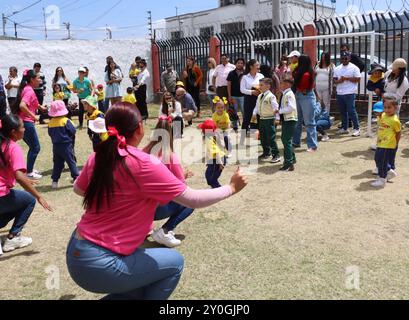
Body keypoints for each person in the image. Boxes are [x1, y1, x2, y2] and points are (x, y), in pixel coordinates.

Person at [66, 103, 247, 300]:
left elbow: (78, 189)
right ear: (140, 129)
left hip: (76, 250)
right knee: (174, 263)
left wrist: (118, 200)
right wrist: (231, 188)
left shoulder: (98, 155)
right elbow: (193, 199)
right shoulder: (144, 162)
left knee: (136, 289)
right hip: (101, 263)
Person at [0, 114, 52, 255]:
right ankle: (13, 238)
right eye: (22, 127)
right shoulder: (13, 148)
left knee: (17, 201)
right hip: (1, 196)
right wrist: (38, 196)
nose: (24, 129)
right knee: (28, 200)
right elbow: (19, 176)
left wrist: (26, 180)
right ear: (13, 132)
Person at [144, 117, 194, 247]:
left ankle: (142, 227)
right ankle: (165, 230)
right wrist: (183, 174)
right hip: (156, 209)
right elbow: (181, 187)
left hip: (138, 207)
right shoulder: (170, 156)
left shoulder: (143, 151)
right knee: (190, 203)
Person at [11, 69, 47, 179]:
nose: (40, 79)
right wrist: (33, 116)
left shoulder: (28, 89)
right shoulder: (29, 90)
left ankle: (29, 169)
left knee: (33, 147)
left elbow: (33, 102)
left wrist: (40, 107)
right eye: (38, 78)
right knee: (35, 147)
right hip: (26, 123)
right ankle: (29, 172)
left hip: (23, 122)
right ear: (31, 79)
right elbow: (22, 105)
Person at [48, 101, 79, 189]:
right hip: (66, 146)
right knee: (71, 162)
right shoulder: (66, 121)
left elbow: (50, 133)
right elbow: (73, 131)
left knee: (57, 164)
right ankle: (76, 178)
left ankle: (55, 181)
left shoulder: (50, 122)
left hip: (56, 146)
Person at [372, 97, 401, 188]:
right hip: (380, 143)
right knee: (377, 158)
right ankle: (389, 171)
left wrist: (396, 143)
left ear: (395, 108)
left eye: (389, 107)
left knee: (383, 161)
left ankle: (382, 179)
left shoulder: (395, 120)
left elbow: (398, 133)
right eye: (385, 107)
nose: (386, 109)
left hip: (388, 145)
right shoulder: (383, 115)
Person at [292, 54, 319, 152]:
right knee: (298, 120)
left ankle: (312, 145)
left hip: (305, 95)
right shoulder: (302, 71)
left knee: (309, 122)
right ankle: (296, 142)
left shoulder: (307, 73)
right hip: (301, 94)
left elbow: (303, 87)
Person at [252, 78, 281, 163]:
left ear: (268, 86)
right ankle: (266, 152)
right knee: (263, 137)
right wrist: (254, 114)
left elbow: (276, 108)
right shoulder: (260, 96)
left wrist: (277, 118)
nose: (259, 87)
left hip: (269, 119)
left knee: (271, 137)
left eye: (261, 85)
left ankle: (276, 155)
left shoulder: (271, 96)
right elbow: (257, 106)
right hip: (262, 119)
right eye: (259, 85)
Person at [334, 51, 361, 137]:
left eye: (346, 58)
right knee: (342, 112)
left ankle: (357, 128)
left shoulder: (354, 68)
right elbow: (334, 80)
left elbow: (358, 79)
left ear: (349, 58)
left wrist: (347, 78)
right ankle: (344, 128)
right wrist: (339, 81)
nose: (344, 60)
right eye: (343, 58)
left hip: (350, 92)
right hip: (340, 92)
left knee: (351, 111)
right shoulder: (337, 68)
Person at [277, 74, 297, 171]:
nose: (280, 84)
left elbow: (291, 107)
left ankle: (288, 163)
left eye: (281, 83)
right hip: (287, 119)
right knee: (286, 139)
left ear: (287, 84)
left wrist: (280, 111)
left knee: (286, 140)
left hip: (290, 119)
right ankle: (291, 159)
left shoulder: (289, 94)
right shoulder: (286, 93)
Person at [199, 119, 227, 189]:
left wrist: (220, 164)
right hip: (214, 160)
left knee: (211, 179)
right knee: (209, 176)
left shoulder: (209, 139)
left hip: (218, 160)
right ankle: (216, 189)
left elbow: (216, 151)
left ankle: (219, 190)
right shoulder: (210, 137)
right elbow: (210, 151)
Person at [240, 59, 264, 136]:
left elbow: (265, 85)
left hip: (259, 98)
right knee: (247, 116)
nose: (258, 67)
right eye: (256, 65)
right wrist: (252, 92)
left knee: (258, 115)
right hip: (249, 99)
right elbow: (242, 89)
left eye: (258, 65)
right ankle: (243, 135)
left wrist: (260, 90)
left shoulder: (261, 76)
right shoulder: (245, 77)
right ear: (251, 67)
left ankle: (257, 134)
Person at [227, 57, 245, 129]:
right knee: (233, 111)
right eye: (238, 63)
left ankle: (245, 126)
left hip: (243, 96)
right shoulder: (231, 73)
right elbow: (229, 85)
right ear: (235, 64)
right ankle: (235, 126)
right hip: (233, 96)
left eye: (241, 63)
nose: (240, 64)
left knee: (244, 112)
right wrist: (229, 95)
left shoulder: (246, 73)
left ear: (243, 64)